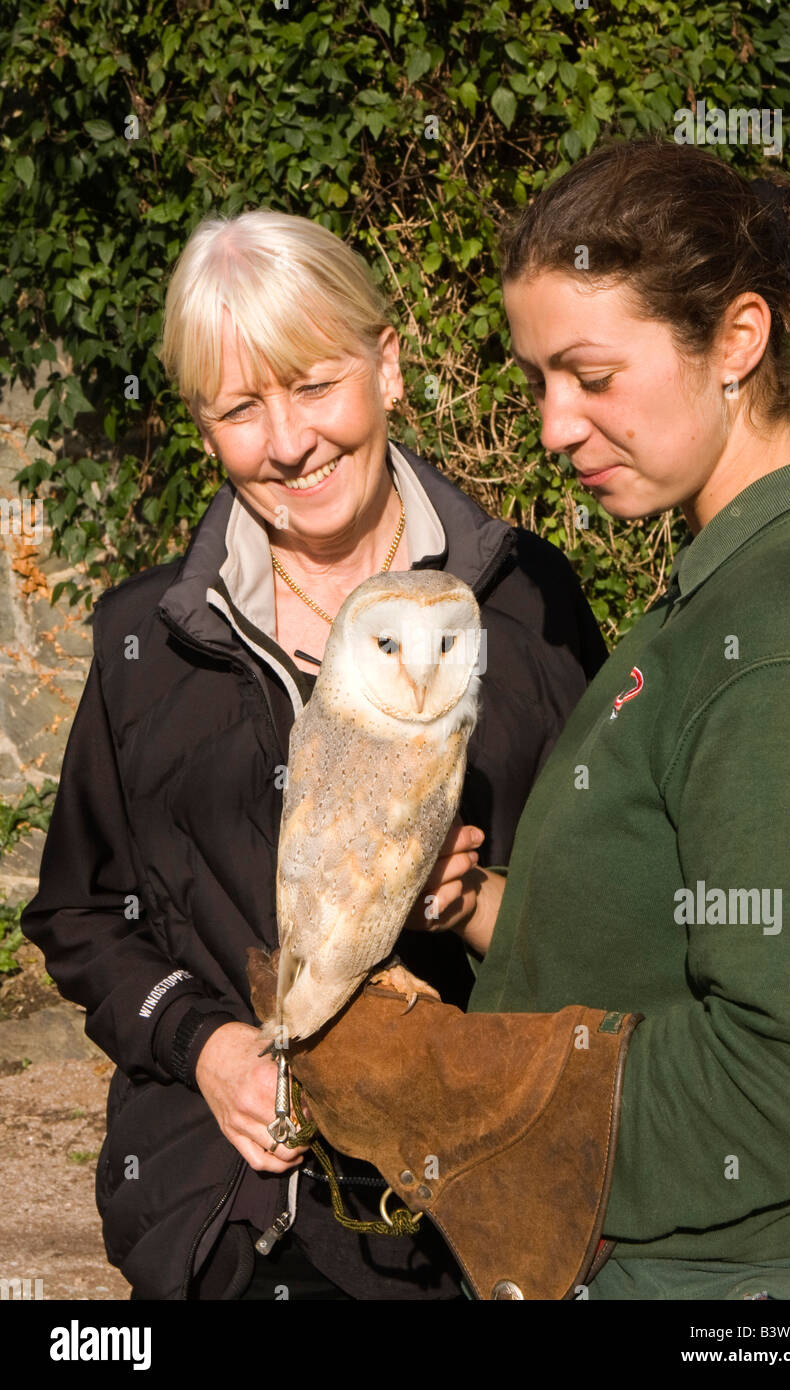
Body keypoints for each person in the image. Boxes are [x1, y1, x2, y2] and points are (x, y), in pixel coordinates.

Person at [20, 209, 607, 1300]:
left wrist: (474, 897)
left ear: (387, 367)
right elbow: (81, 914)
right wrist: (202, 1046)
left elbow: (616, 907)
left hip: (480, 1219)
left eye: (313, 385)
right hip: (238, 1221)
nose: (287, 442)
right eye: (240, 407)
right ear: (202, 426)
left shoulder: (529, 604)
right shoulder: (151, 641)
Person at [451, 136, 790, 1298]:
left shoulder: (786, 630)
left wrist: (495, 1109)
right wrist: (493, 908)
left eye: (589, 373)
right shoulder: (721, 585)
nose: (551, 426)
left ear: (735, 340)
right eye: (536, 379)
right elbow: (671, 938)